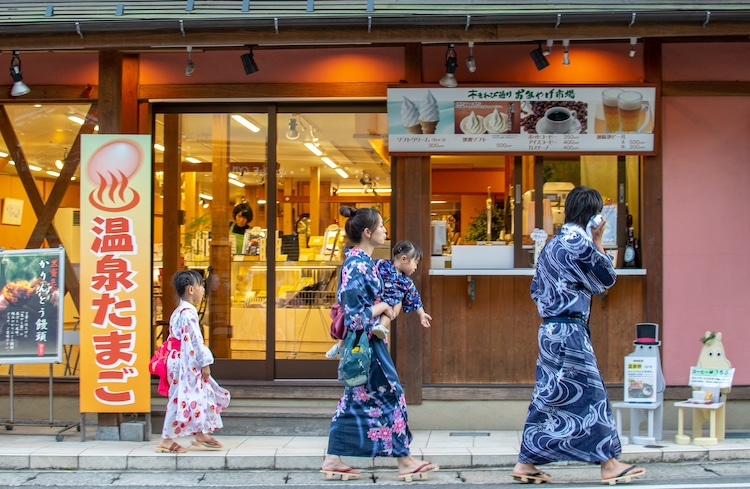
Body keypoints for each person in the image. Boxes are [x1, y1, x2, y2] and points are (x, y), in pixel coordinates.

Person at [512, 186, 645, 485]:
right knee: (592, 394)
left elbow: (536, 288)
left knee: (549, 394)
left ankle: (526, 462)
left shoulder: (552, 243)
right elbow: (607, 278)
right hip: (571, 330)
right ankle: (609, 463)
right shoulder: (580, 242)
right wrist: (598, 241)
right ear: (595, 215)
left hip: (549, 328)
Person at [320, 206, 438, 482]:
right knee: (391, 393)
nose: (386, 230)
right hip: (366, 344)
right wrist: (386, 306)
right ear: (367, 232)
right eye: (381, 226)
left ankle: (332, 458)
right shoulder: (359, 265)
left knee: (355, 400)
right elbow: (355, 316)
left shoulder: (362, 263)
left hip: (365, 343)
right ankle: (405, 461)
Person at [156, 270, 231, 453]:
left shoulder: (179, 311)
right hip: (185, 363)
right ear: (191, 289)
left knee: (197, 395)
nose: (203, 290)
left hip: (179, 359)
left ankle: (200, 433)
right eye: (200, 287)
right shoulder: (188, 313)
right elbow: (195, 341)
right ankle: (166, 440)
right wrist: (204, 363)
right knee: (182, 398)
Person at [325, 240, 431, 358]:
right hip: (374, 302)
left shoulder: (407, 282)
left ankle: (381, 327)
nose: (416, 267)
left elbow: (415, 297)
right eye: (415, 263)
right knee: (354, 322)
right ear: (404, 259)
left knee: (392, 309)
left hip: (388, 306)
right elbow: (365, 268)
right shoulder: (381, 264)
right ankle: (339, 345)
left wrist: (421, 314)